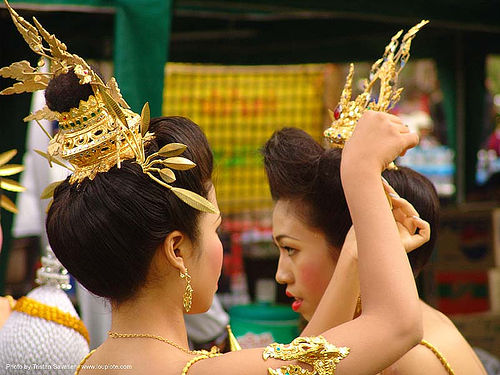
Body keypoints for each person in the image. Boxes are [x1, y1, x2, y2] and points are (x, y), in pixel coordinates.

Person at [2, 3, 423, 374]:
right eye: (215, 228)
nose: (219, 244)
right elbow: (397, 326)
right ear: (177, 250)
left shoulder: (92, 364)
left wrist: (353, 255)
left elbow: (299, 356)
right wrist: (361, 172)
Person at [262, 127, 487, 375]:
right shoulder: (380, 337)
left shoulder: (407, 359)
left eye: (290, 249)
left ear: (353, 240)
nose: (281, 275)